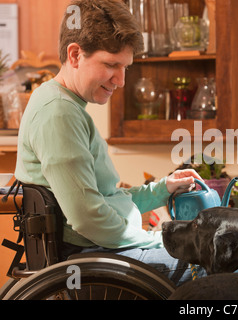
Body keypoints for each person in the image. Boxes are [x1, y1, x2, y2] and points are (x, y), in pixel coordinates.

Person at [14, 0, 205, 285]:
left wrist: (162, 189)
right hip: (91, 256)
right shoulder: (58, 113)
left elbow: (106, 200)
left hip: (98, 249)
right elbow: (88, 217)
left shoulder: (64, 105)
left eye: (125, 67)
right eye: (111, 65)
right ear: (75, 55)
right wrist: (156, 238)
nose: (121, 80)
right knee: (209, 264)